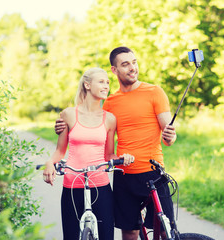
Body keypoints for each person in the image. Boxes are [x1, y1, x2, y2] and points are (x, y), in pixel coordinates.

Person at [55, 47, 177, 240]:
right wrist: (64, 126)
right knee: (129, 232)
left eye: (134, 62)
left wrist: (170, 135)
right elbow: (93, 126)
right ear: (114, 70)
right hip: (124, 174)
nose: (132, 68)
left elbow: (169, 136)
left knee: (165, 229)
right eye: (125, 64)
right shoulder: (110, 102)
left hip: (153, 172)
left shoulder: (155, 92)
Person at [43, 67, 134, 240]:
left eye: (108, 82)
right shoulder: (68, 114)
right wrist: (49, 163)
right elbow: (60, 152)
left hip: (100, 185)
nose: (106, 85)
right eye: (101, 81)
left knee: (106, 236)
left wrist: (123, 158)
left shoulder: (109, 118)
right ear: (87, 85)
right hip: (72, 184)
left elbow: (109, 156)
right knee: (71, 236)